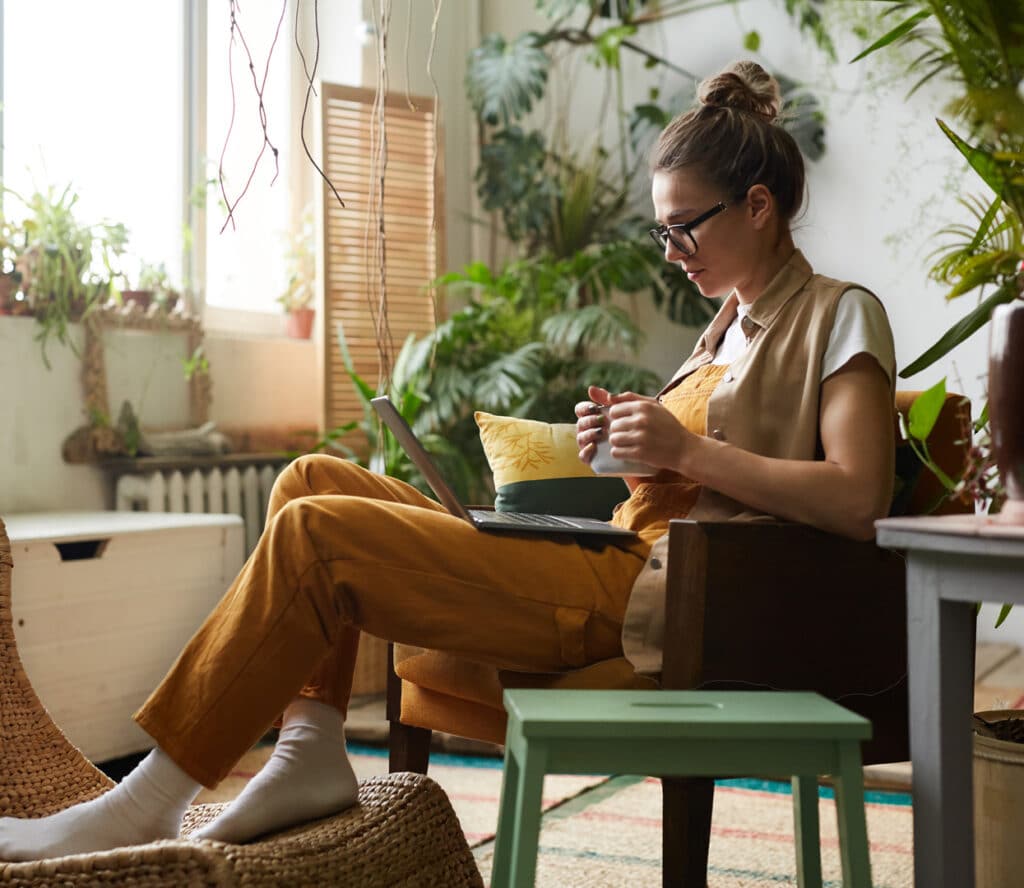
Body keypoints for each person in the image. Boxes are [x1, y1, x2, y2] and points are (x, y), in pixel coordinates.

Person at [0, 59, 895, 860]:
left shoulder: (838, 314)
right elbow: (686, 486)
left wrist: (684, 446)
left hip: (644, 603)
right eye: (662, 233)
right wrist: (632, 455)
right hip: (612, 556)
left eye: (683, 228)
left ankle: (150, 800)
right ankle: (313, 748)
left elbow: (858, 499)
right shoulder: (719, 331)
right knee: (311, 476)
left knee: (318, 533)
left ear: (759, 205)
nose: (672, 253)